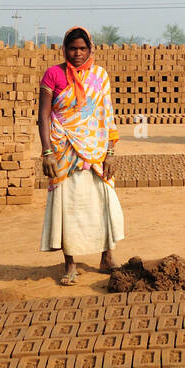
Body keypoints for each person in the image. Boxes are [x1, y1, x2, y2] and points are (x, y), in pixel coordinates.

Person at [38, 25, 124, 285]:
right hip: (64, 151)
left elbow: (106, 113)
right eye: (72, 48)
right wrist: (47, 152)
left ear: (91, 49)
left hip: (96, 152)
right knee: (69, 207)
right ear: (64, 49)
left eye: (82, 49)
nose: (77, 53)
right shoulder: (53, 74)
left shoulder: (100, 75)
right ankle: (70, 265)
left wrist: (110, 151)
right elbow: (43, 116)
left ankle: (107, 257)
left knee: (103, 203)